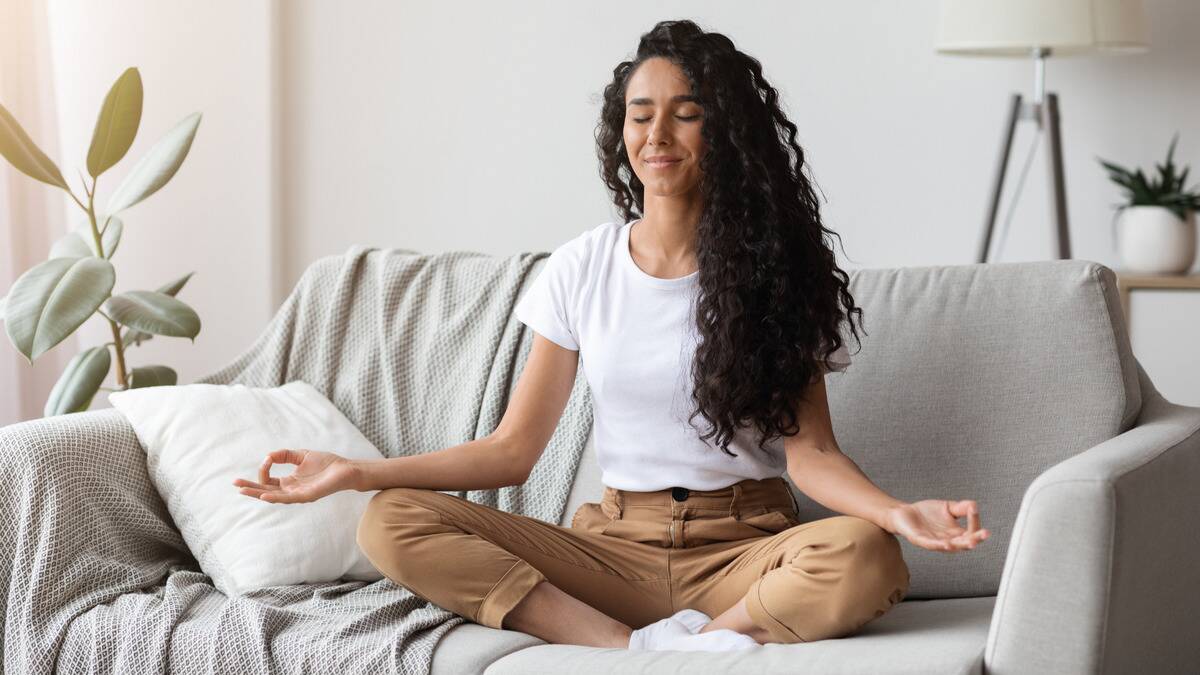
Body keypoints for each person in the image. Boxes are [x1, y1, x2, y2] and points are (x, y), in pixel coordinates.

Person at [232, 19, 989, 652]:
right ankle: (627, 650)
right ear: (620, 126)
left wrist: (893, 511)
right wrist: (360, 472)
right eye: (640, 112)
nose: (657, 132)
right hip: (613, 548)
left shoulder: (779, 275)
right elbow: (512, 449)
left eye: (685, 111)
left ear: (724, 128)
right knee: (390, 520)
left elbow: (813, 455)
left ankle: (700, 642)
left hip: (742, 545)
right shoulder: (581, 267)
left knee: (864, 554)